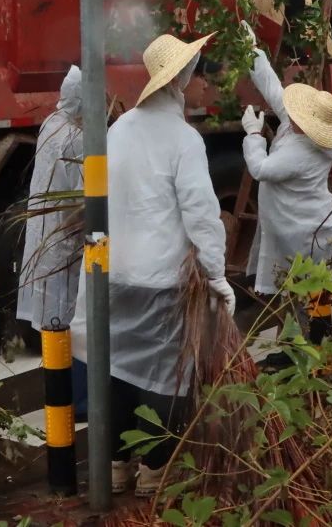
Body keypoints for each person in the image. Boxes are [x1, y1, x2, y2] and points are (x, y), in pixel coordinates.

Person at [71, 33, 232, 497]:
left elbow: (96, 195)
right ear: (184, 81)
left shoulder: (119, 130)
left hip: (112, 276)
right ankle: (154, 471)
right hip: (161, 280)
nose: (207, 87)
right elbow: (201, 213)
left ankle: (118, 466)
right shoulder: (184, 140)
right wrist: (217, 273)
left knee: (116, 371)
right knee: (166, 380)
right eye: (204, 77)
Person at [239, 22, 332, 352]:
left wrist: (254, 136)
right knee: (306, 292)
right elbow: (273, 89)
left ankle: (313, 355)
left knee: (310, 296)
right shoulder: (296, 126)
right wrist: (252, 51)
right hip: (299, 226)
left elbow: (261, 169)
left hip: (305, 232)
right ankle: (310, 350)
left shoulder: (305, 151)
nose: (291, 114)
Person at [17, 66, 85, 332]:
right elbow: (83, 198)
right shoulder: (78, 138)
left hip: (44, 233)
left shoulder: (52, 123)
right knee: (63, 315)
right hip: (65, 235)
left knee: (49, 311)